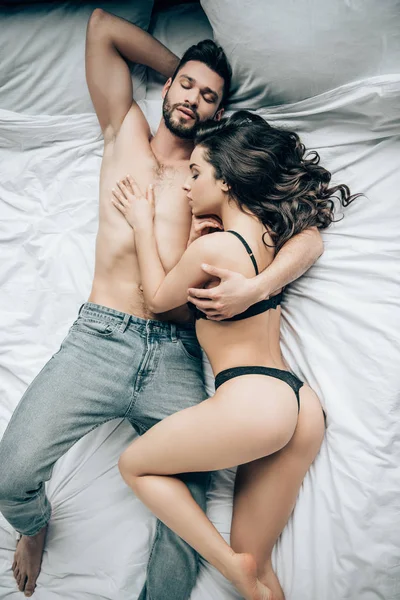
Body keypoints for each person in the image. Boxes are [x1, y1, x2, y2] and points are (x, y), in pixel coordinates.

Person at [0, 9, 322, 600]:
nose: (194, 100)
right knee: (10, 475)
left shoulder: (213, 178)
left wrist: (258, 285)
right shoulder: (122, 131)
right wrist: (183, 73)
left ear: (218, 115)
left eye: (209, 98)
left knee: (188, 512)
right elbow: (101, 28)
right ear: (168, 87)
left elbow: (302, 232)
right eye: (187, 88)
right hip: (99, 338)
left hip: (176, 354)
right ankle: (34, 524)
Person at [112, 111, 358, 600]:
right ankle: (248, 572)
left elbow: (160, 299)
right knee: (262, 576)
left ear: (225, 181)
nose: (187, 186)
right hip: (297, 403)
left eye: (197, 174)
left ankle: (229, 564)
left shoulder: (221, 246)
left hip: (253, 403)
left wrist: (143, 223)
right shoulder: (271, 235)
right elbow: (311, 239)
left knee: (134, 466)